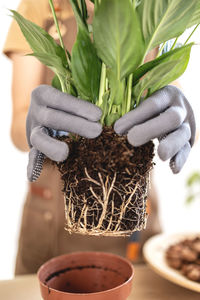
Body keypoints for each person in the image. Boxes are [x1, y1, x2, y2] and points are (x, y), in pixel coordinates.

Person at [3, 0, 195, 275]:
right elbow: (17, 126)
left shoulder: (153, 6)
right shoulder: (40, 5)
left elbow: (170, 103)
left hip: (132, 208)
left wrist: (178, 112)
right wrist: (35, 124)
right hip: (50, 214)